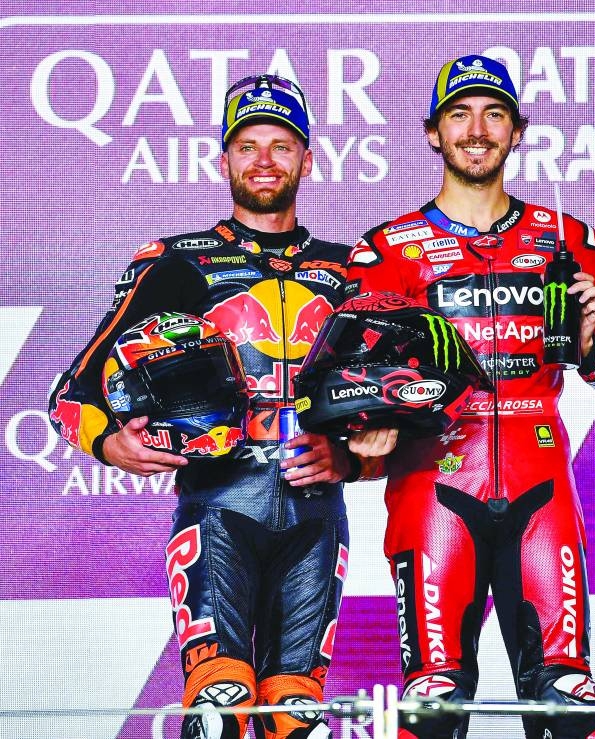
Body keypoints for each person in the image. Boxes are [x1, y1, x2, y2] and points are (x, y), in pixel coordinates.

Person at [49, 74, 360, 739]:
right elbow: (71, 393)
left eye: (281, 145)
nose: (264, 160)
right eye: (247, 146)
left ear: (308, 160)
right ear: (223, 161)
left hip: (319, 520)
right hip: (218, 512)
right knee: (219, 706)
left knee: (296, 718)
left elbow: (407, 398)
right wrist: (110, 444)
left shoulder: (352, 269)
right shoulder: (175, 263)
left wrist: (355, 456)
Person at [344, 54, 595, 738]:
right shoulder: (384, 249)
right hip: (433, 484)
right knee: (433, 706)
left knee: (568, 704)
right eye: (460, 114)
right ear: (433, 132)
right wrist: (367, 425)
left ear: (517, 131)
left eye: (494, 114)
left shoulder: (570, 238)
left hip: (542, 480)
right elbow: (350, 388)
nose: (477, 130)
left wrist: (591, 343)